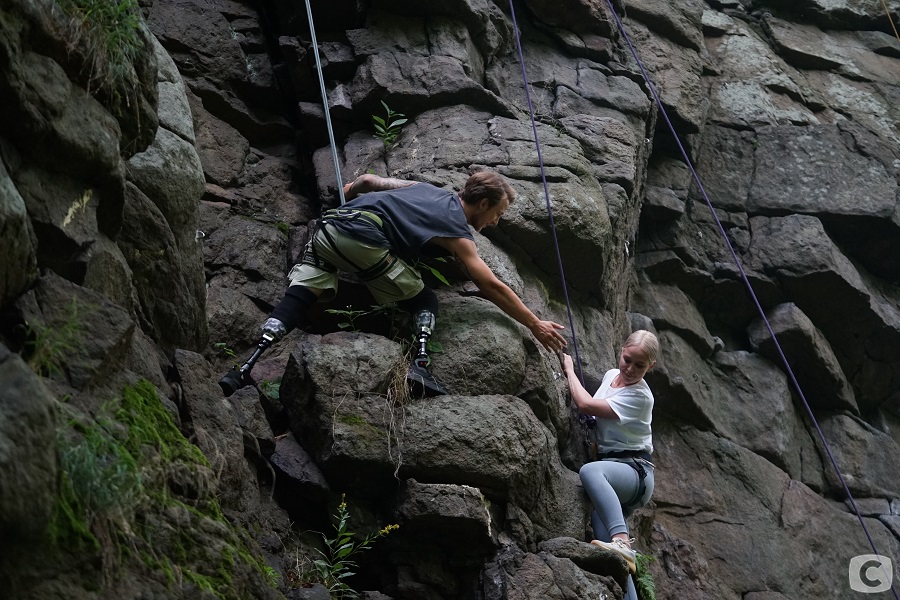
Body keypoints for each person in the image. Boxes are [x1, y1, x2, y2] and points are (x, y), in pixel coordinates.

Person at [221, 171, 567, 397]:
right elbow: (491, 286)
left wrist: (347, 192)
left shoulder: (423, 188)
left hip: (331, 229)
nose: (495, 222)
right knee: (425, 302)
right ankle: (419, 368)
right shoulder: (458, 231)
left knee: (299, 297)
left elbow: (368, 182)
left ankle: (243, 368)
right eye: (498, 213)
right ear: (483, 203)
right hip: (366, 238)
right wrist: (534, 323)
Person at [562, 330, 658, 597]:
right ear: (621, 351)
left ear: (651, 366)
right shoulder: (609, 376)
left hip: (634, 473)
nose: (630, 368)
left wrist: (569, 369)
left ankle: (622, 542)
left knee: (590, 471)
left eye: (640, 365)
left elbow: (585, 403)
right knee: (614, 554)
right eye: (627, 359)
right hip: (616, 471)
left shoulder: (641, 396)